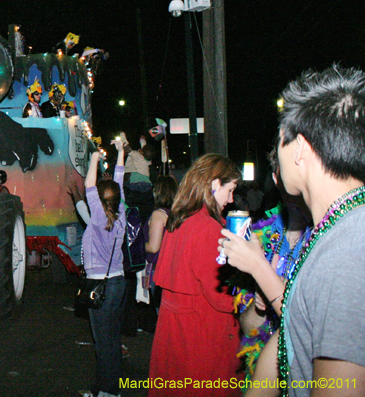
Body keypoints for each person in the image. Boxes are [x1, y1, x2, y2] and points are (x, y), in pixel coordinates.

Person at [220, 65, 365, 397]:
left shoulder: (349, 250)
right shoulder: (334, 231)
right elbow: (296, 330)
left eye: (281, 137)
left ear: (299, 147)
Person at [148, 154, 241, 396]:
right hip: (201, 338)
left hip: (175, 333)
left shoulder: (181, 219)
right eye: (229, 190)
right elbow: (221, 298)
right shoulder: (208, 229)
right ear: (213, 184)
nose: (231, 199)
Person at [227, 148, 311, 391]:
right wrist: (260, 302)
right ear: (276, 179)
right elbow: (249, 327)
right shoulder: (262, 239)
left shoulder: (327, 236)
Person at [80, 139, 126, 397]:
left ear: (99, 199)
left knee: (104, 342)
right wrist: (120, 153)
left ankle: (109, 392)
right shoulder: (119, 212)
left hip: (100, 286)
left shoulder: (99, 217)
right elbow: (117, 184)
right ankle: (106, 387)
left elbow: (88, 185)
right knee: (111, 339)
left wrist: (95, 157)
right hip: (118, 282)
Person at [143, 174, 178, 309]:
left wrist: (137, 246)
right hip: (173, 267)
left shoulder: (159, 214)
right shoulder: (177, 213)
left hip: (159, 269)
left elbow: (153, 247)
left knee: (161, 312)